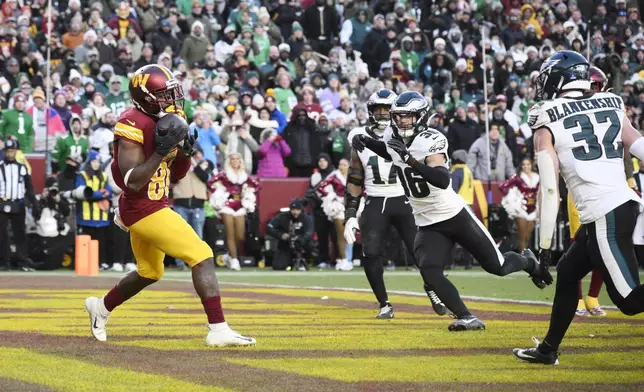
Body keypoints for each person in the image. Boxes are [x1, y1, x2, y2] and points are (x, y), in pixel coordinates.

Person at [84, 64, 255, 347]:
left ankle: (100, 308)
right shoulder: (131, 123)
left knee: (150, 271)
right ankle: (218, 328)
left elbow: (176, 175)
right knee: (201, 253)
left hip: (153, 202)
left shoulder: (170, 118)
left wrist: (184, 152)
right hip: (143, 206)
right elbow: (132, 182)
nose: (173, 99)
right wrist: (162, 150)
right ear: (146, 97)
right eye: (165, 94)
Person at [353, 91, 551, 331]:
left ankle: (528, 262)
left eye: (409, 116)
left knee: (497, 267)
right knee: (430, 271)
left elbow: (441, 179)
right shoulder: (391, 134)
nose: (403, 121)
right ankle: (466, 316)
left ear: (421, 117)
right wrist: (368, 143)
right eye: (400, 116)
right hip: (426, 220)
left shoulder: (431, 139)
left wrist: (411, 160)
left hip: (454, 215)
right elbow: (392, 152)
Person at [513, 51, 644, 365]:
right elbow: (639, 144)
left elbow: (548, 188)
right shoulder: (610, 102)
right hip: (620, 205)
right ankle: (547, 350)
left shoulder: (546, 116)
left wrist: (543, 249)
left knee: (628, 301)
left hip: (604, 213)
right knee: (570, 271)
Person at [345, 89, 448, 318]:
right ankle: (384, 304)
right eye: (378, 110)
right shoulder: (359, 136)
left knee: (421, 252)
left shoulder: (409, 135)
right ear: (370, 112)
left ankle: (433, 289)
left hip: (405, 198)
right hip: (374, 198)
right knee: (371, 253)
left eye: (387, 110)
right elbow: (354, 177)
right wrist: (350, 214)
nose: (382, 115)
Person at [208, 152, 259, 272]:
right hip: (227, 205)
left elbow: (257, 185)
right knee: (230, 233)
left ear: (240, 161)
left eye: (237, 159)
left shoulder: (244, 175)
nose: (235, 161)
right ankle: (235, 260)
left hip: (240, 205)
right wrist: (220, 191)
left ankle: (228, 256)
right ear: (229, 161)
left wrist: (248, 191)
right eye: (233, 159)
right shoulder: (224, 174)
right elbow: (210, 183)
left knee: (240, 236)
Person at [0, 139, 39, 271]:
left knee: (20, 234)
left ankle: (22, 261)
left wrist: (34, 204)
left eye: (12, 151)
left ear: (16, 152)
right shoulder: (0, 167)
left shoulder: (22, 168)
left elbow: (29, 187)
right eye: (8, 151)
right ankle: (4, 261)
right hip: (2, 203)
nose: (10, 154)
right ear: (5, 152)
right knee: (2, 233)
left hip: (19, 203)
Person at [76, 150, 113, 267]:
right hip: (86, 215)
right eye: (94, 161)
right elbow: (83, 192)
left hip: (101, 216)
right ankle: (85, 263)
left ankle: (101, 262)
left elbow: (109, 192)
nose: (96, 164)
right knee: (86, 241)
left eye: (98, 162)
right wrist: (100, 194)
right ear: (89, 162)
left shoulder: (104, 176)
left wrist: (96, 194)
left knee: (101, 242)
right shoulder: (82, 175)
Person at [314, 158, 350, 270]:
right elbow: (320, 187)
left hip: (350, 206)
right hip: (337, 206)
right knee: (341, 233)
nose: (342, 166)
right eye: (340, 164)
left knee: (348, 234)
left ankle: (340, 259)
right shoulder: (334, 176)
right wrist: (331, 195)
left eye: (344, 164)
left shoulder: (353, 175)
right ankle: (344, 259)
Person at [499, 158, 539, 251]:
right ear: (521, 166)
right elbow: (502, 186)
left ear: (531, 165)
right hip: (521, 208)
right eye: (524, 164)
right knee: (522, 235)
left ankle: (523, 255)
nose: (526, 166)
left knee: (528, 237)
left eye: (528, 164)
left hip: (533, 209)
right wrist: (511, 196)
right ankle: (522, 258)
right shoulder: (518, 178)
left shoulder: (537, 177)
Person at [266, 198, 314, 271]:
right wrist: (281, 235)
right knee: (278, 267)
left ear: (301, 209)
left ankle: (303, 260)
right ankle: (290, 262)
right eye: (293, 210)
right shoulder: (282, 217)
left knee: (310, 244)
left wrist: (302, 238)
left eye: (297, 210)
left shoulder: (306, 218)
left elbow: (310, 232)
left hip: (301, 243)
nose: (295, 212)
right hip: (286, 244)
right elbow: (269, 227)